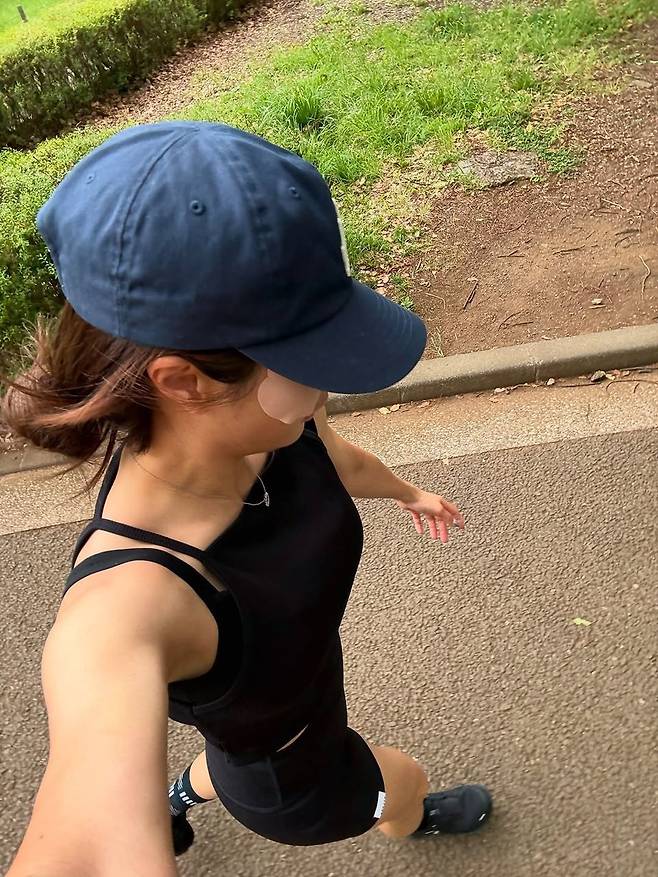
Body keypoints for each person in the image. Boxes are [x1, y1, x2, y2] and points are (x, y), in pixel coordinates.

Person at [3, 121, 492, 876]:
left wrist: (407, 492)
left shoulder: (278, 415)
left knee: (230, 755)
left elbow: (337, 462)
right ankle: (412, 817)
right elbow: (83, 846)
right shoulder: (125, 608)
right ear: (184, 382)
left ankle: (177, 795)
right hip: (298, 783)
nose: (327, 384)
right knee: (403, 780)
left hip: (278, 713)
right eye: (307, 362)